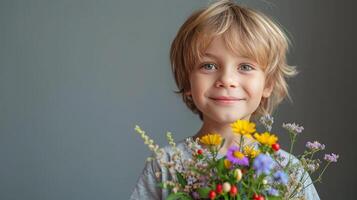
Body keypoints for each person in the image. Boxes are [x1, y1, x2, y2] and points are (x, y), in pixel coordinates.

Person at [130, 0, 320, 199]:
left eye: (245, 67)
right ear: (187, 82)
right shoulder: (166, 164)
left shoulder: (288, 170)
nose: (227, 80)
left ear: (268, 84)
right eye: (209, 66)